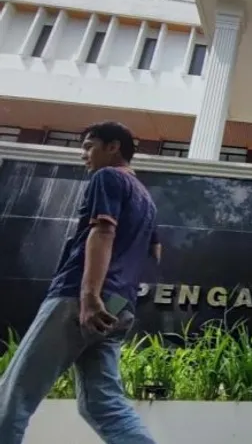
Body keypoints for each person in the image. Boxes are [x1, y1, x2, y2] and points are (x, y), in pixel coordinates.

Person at [0, 121, 160, 444]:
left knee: (13, 396)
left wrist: (89, 295)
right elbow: (154, 253)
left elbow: (103, 230)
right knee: (104, 406)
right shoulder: (147, 201)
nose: (83, 154)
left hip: (80, 298)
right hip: (120, 305)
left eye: (89, 146)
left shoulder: (108, 177)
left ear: (113, 147)